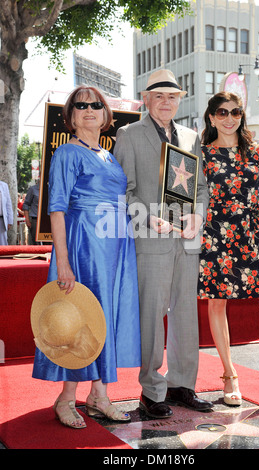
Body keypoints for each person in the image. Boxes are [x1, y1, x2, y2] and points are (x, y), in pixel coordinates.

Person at [32, 85, 141, 428]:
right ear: (70, 117)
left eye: (96, 105)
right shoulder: (67, 153)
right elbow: (58, 209)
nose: (89, 110)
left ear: (106, 115)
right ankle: (66, 398)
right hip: (84, 246)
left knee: (103, 317)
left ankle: (99, 395)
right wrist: (62, 261)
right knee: (77, 316)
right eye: (81, 106)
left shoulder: (109, 156)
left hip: (114, 247)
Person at [114, 69, 213, 419]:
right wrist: (144, 218)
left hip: (187, 241)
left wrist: (199, 216)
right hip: (151, 240)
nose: (166, 102)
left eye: (172, 96)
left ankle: (183, 385)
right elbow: (120, 192)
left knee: (186, 315)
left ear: (180, 100)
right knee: (152, 316)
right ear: (146, 99)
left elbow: (200, 187)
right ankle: (151, 391)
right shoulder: (128, 135)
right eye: (159, 96)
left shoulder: (190, 136)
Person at [197, 91, 259, 407]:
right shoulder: (201, 155)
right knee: (217, 303)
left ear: (241, 115)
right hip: (214, 235)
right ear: (212, 117)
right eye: (222, 112)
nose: (230, 118)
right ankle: (229, 376)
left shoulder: (257, 152)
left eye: (236, 112)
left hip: (252, 233)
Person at [0, 180, 13, 245]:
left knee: (3, 244)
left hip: (2, 220)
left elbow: (8, 204)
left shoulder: (4, 185)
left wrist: (10, 221)